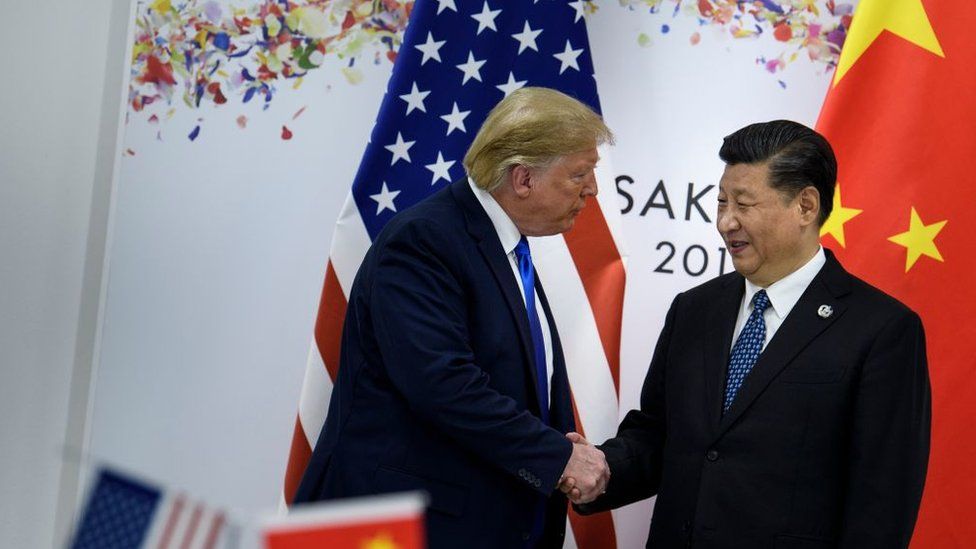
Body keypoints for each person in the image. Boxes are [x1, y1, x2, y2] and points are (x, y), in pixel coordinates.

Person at [570, 120, 931, 548]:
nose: (726, 222)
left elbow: (881, 504)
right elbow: (658, 435)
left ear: (806, 206)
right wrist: (598, 468)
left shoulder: (881, 330)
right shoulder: (694, 309)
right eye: (721, 202)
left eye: (744, 204)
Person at [292, 87, 612, 548]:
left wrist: (560, 452)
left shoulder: (502, 249)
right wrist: (556, 457)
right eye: (579, 174)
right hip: (397, 530)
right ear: (523, 178)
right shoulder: (425, 240)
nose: (592, 190)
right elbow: (441, 383)